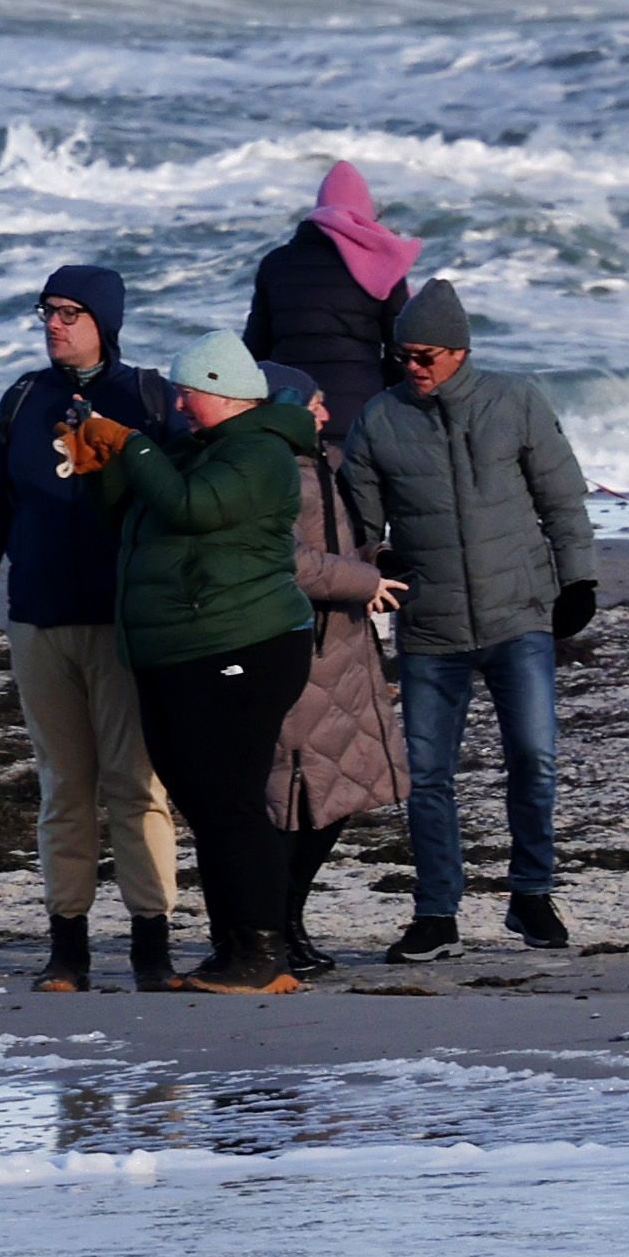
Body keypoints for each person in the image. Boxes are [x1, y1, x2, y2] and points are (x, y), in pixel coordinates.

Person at [0, 265, 186, 994]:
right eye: (46, 311)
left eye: (71, 313)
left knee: (136, 786)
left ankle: (152, 948)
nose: (54, 324)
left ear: (104, 321)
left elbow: (182, 503)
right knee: (63, 788)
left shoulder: (146, 397)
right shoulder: (22, 398)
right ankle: (68, 950)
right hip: (39, 620)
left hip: (123, 624)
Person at [338, 281, 598, 963]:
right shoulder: (379, 420)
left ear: (459, 352)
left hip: (519, 616)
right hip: (430, 627)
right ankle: (436, 913)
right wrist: (376, 560)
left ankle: (531, 896)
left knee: (535, 759)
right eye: (403, 355)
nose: (412, 367)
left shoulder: (515, 402)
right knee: (427, 775)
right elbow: (361, 526)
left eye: (425, 355)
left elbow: (562, 498)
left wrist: (579, 580)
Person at [65, 333, 318, 997]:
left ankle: (266, 950)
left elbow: (190, 507)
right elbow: (130, 513)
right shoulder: (199, 448)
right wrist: (100, 464)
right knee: (204, 799)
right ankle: (232, 946)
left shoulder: (261, 452)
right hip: (180, 650)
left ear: (223, 393)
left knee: (231, 795)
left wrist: (133, 445)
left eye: (188, 393)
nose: (177, 404)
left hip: (245, 651)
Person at [258, 359, 406, 976]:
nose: (325, 413)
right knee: (290, 799)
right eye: (314, 402)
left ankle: (291, 918)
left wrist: (377, 558)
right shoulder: (268, 474)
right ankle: (275, 927)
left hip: (346, 648)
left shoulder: (331, 464)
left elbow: (341, 549)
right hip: (300, 649)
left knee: (342, 797)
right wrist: (362, 577)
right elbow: (290, 559)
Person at [245, 162, 419, 441]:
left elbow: (255, 350)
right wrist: (378, 383)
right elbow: (402, 347)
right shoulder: (383, 265)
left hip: (289, 408)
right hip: (360, 410)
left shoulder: (276, 263)